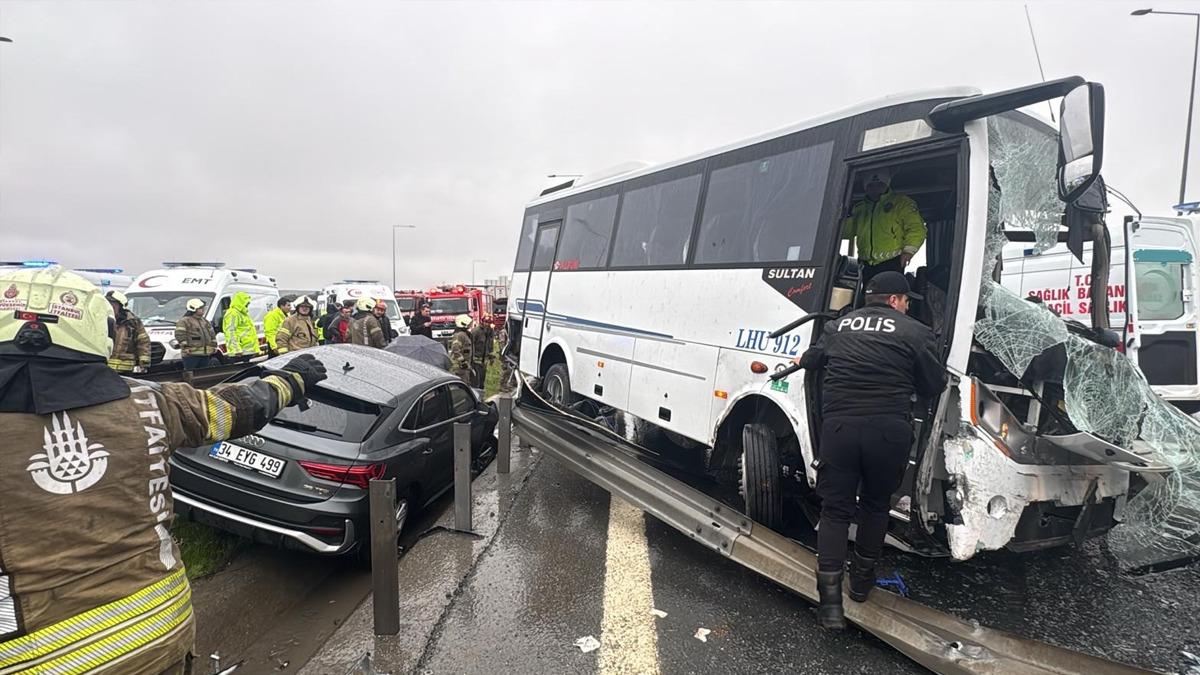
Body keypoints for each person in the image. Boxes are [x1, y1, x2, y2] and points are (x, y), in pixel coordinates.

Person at [0, 265, 327, 675]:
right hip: (160, 633)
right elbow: (236, 408)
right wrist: (292, 381)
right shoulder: (150, 402)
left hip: (33, 658)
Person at [790, 271, 946, 629]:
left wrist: (804, 359)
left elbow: (814, 358)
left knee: (835, 510)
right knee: (875, 507)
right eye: (907, 301)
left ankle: (829, 605)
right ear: (894, 300)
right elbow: (933, 385)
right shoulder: (915, 332)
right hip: (888, 435)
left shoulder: (839, 326)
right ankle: (860, 586)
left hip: (841, 431)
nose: (907, 306)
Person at [842, 168, 927, 285]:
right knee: (868, 296)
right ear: (865, 187)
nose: (875, 188)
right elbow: (847, 232)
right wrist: (844, 218)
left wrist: (908, 252)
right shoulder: (859, 208)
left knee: (889, 297)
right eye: (871, 185)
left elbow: (917, 228)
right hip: (865, 265)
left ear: (887, 184)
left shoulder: (902, 203)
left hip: (892, 263)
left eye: (880, 184)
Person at [106, 289, 151, 373]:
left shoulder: (133, 322)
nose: (110, 307)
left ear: (121, 307)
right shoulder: (100, 320)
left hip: (125, 369)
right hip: (105, 368)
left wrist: (144, 362)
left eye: (113, 305)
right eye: (108, 304)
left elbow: (143, 341)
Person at [175, 297, 218, 370]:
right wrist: (185, 347)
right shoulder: (184, 321)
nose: (203, 310)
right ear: (193, 309)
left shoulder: (204, 321)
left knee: (202, 375)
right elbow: (180, 335)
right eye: (200, 308)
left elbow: (212, 334)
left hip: (205, 354)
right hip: (191, 354)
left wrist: (213, 346)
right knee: (191, 373)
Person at [222, 291, 261, 359]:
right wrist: (236, 349)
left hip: (246, 351)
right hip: (240, 352)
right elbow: (230, 332)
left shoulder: (243, 313)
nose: (247, 304)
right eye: (246, 302)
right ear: (241, 301)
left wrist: (256, 349)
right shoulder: (233, 313)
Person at [448, 314, 475, 385]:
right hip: (459, 368)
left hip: (465, 367)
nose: (471, 325)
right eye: (469, 323)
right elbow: (456, 350)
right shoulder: (459, 335)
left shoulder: (466, 334)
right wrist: (463, 362)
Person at [469, 315, 491, 387]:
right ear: (482, 321)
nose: (487, 324)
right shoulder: (475, 331)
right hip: (476, 360)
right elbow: (471, 345)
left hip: (484, 361)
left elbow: (488, 344)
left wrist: (490, 355)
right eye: (486, 322)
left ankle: (481, 392)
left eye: (489, 322)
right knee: (476, 380)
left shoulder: (489, 331)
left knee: (482, 379)